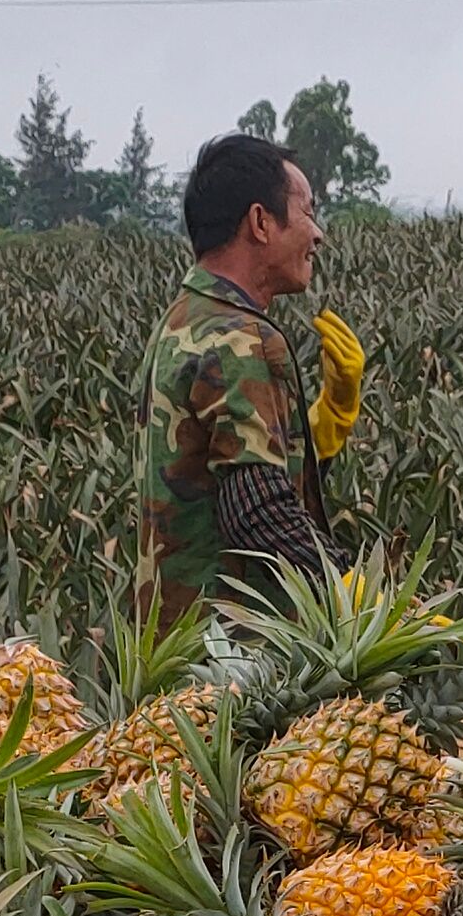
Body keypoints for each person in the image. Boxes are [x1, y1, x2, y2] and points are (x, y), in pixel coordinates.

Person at [132, 131, 370, 627]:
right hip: (234, 663)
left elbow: (224, 477)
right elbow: (256, 510)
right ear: (261, 222)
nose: (319, 234)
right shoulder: (240, 336)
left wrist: (324, 429)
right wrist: (356, 593)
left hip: (177, 644)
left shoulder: (185, 319)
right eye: (308, 211)